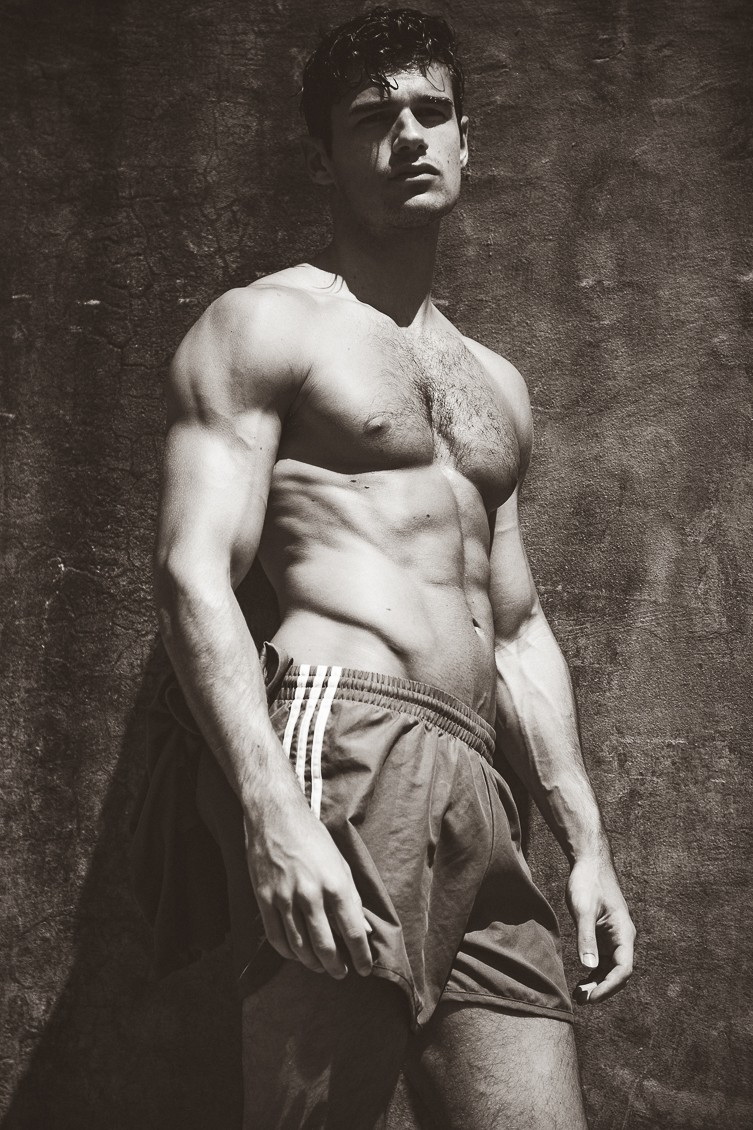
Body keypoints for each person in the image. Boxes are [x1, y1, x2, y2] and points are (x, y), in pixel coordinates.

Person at [140, 7, 636, 1127]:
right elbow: (190, 574)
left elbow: (517, 631)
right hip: (342, 735)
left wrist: (587, 843)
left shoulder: (496, 385)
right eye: (372, 118)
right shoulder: (266, 325)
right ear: (325, 155)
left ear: (466, 140)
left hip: (481, 782)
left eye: (429, 111)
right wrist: (272, 810)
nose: (407, 136)